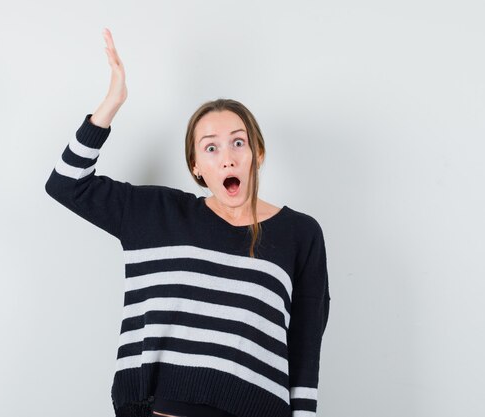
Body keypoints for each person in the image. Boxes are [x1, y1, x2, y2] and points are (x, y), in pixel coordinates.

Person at [45, 28, 331, 417]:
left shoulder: (300, 234)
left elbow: (304, 347)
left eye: (238, 142)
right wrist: (111, 105)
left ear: (257, 153)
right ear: (197, 167)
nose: (226, 157)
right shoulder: (159, 215)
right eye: (210, 147)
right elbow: (66, 184)